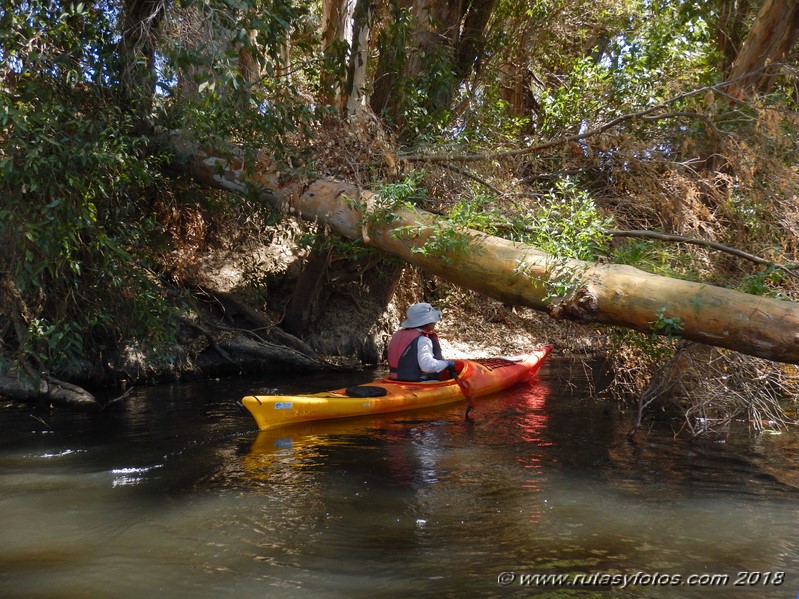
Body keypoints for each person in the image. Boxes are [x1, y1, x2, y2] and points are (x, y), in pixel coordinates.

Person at [387, 302, 457, 381]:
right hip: (416, 383)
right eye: (433, 321)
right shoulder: (423, 340)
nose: (435, 323)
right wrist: (446, 364)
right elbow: (427, 366)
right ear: (427, 323)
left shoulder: (397, 334)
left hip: (394, 380)